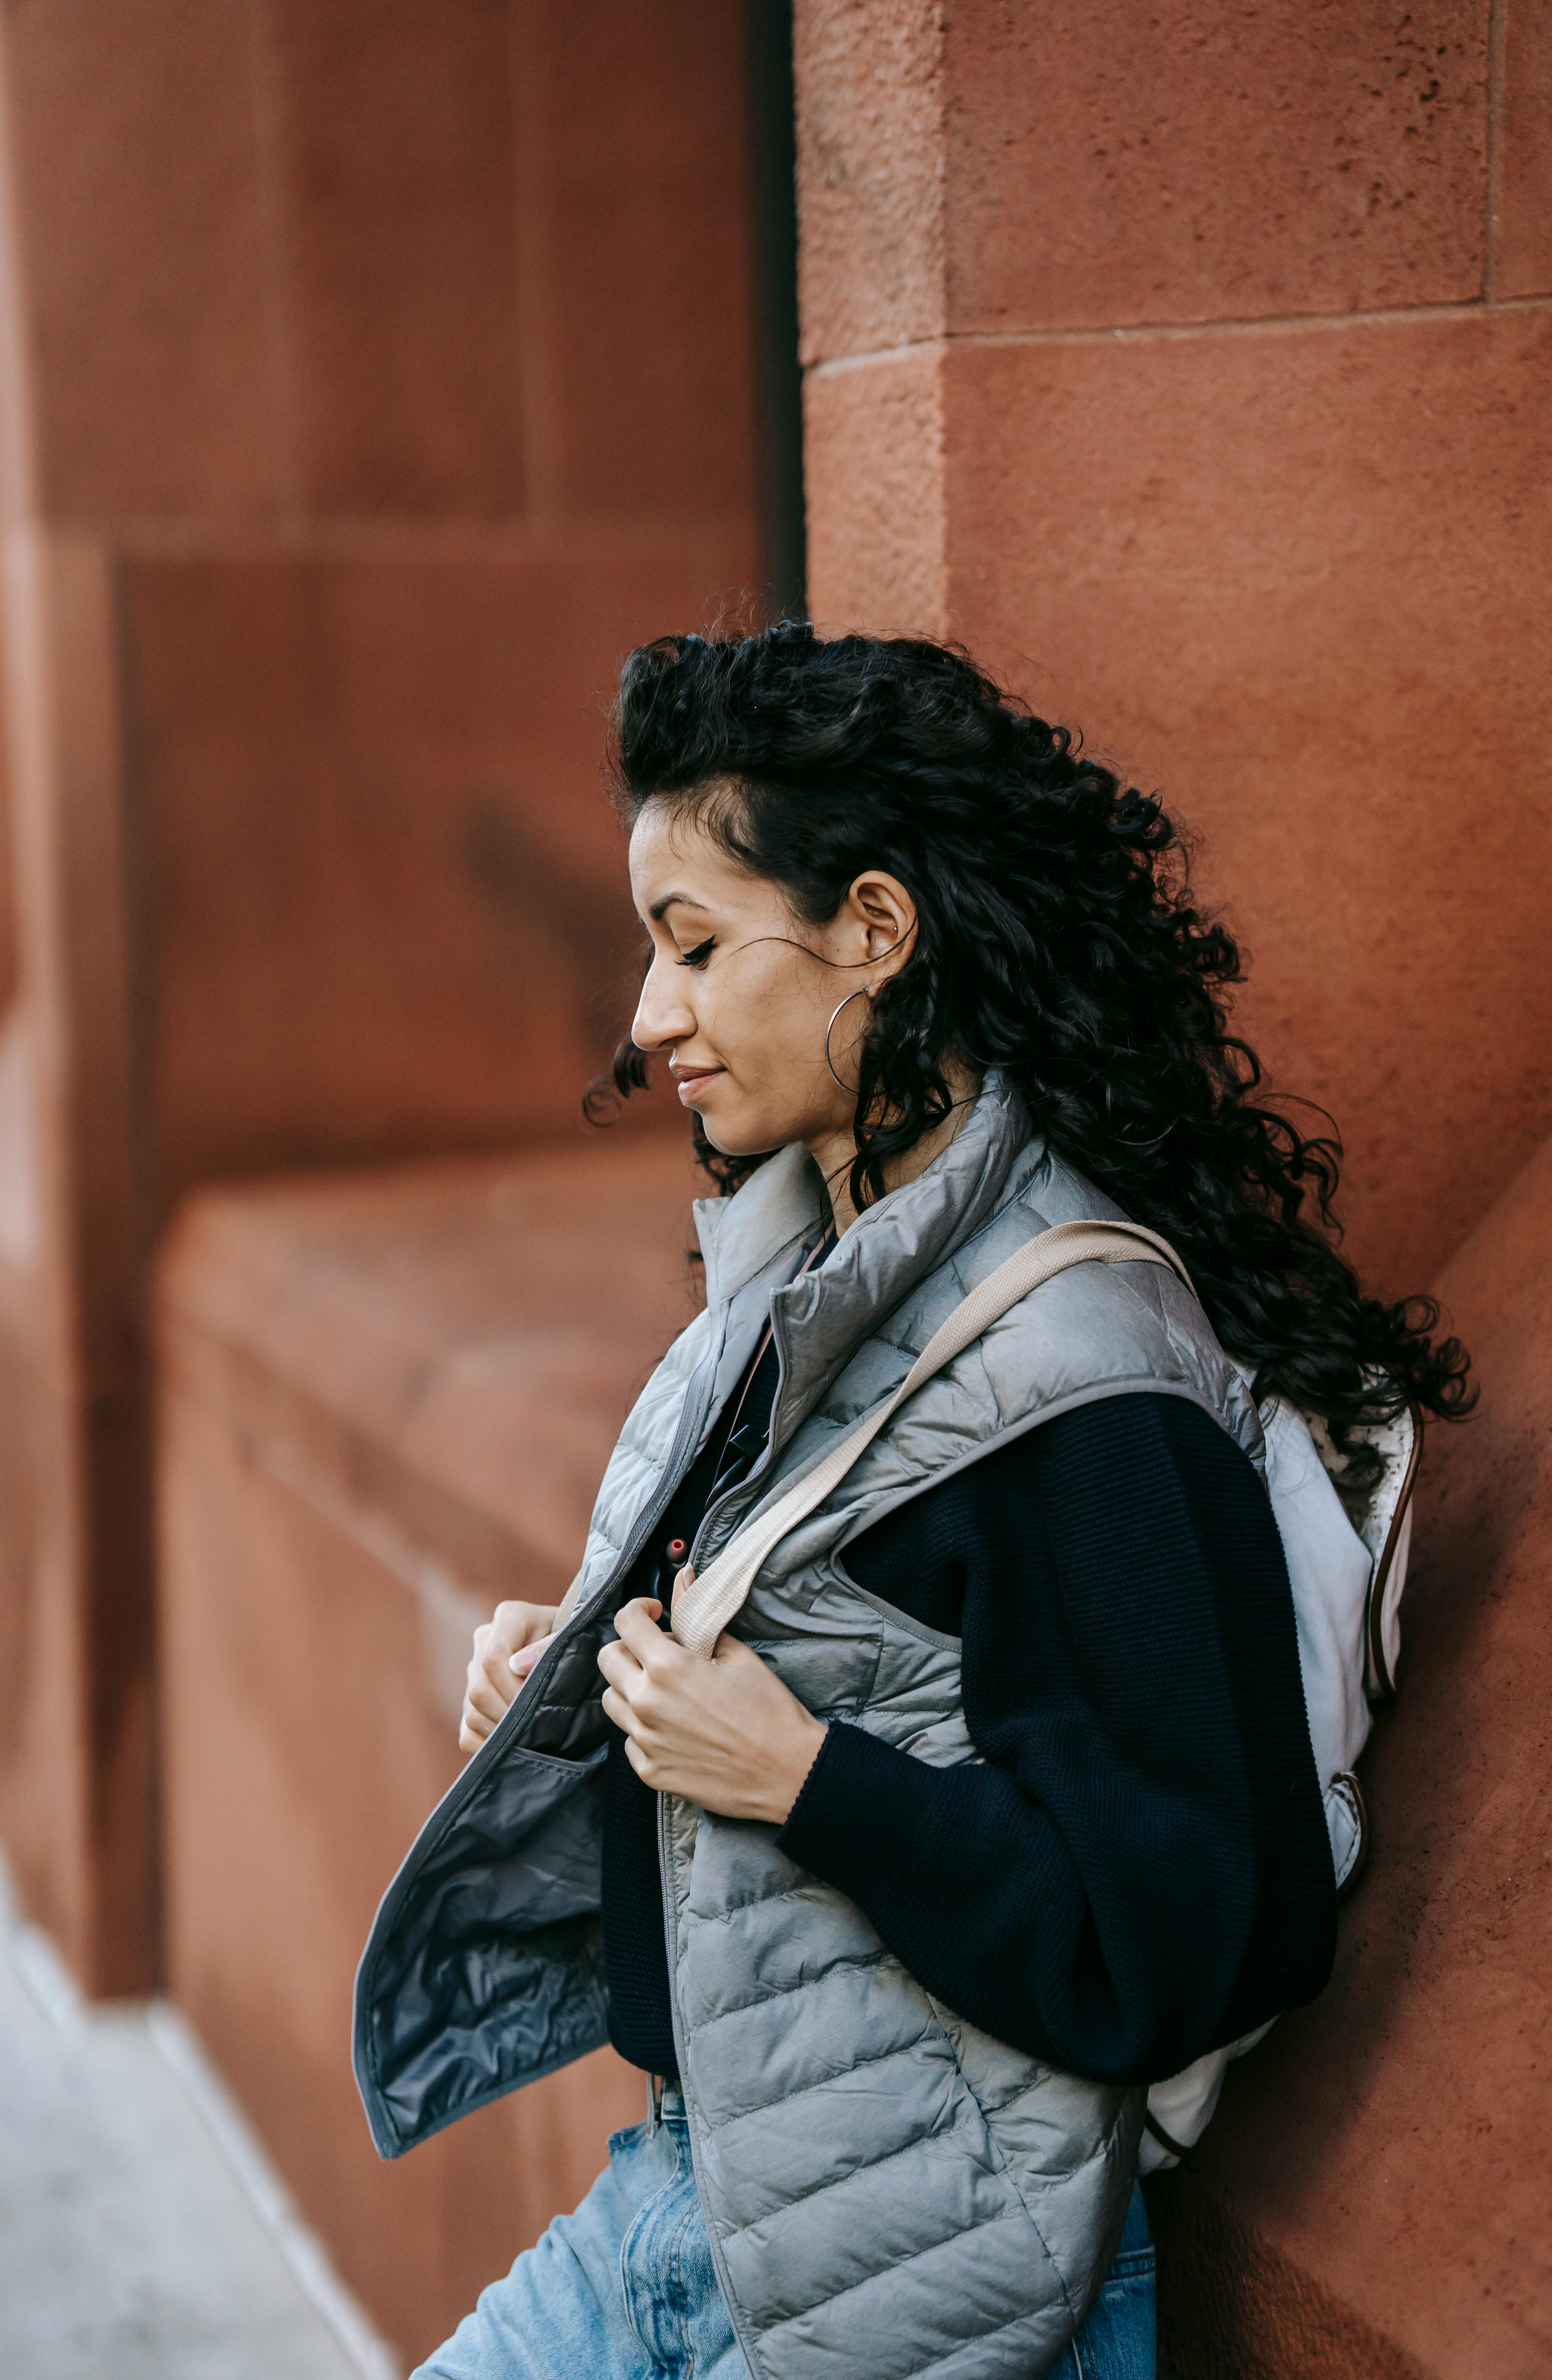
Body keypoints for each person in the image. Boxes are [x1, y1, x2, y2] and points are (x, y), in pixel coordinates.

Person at [355, 626, 1472, 2380]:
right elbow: (787, 1787)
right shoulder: (799, 1297)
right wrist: (590, 1699)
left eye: (697, 947)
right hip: (680, 2215)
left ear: (875, 931)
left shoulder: (1085, 1381)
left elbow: (1196, 1935)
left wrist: (805, 1777)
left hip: (929, 2305)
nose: (649, 1019)